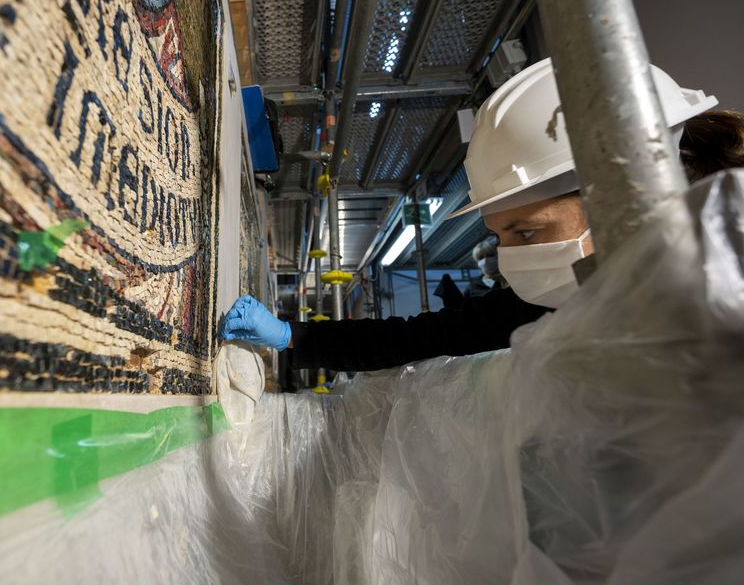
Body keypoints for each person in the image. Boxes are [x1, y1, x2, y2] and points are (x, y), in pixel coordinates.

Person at [221, 58, 723, 372]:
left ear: (627, 199)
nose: (510, 261)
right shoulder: (543, 303)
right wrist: (293, 336)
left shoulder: (721, 289)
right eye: (502, 236)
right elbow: (422, 339)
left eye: (527, 232)